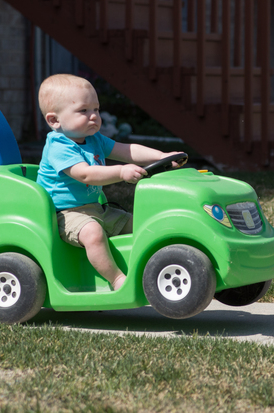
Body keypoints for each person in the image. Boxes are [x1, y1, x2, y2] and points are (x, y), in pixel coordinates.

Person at [36, 74, 184, 291]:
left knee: (141, 224)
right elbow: (85, 174)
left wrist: (161, 156)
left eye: (96, 109)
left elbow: (127, 150)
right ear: (54, 120)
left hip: (96, 208)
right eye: (83, 111)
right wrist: (121, 172)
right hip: (63, 214)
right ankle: (117, 280)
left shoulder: (95, 139)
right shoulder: (59, 146)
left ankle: (156, 267)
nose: (94, 116)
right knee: (92, 233)